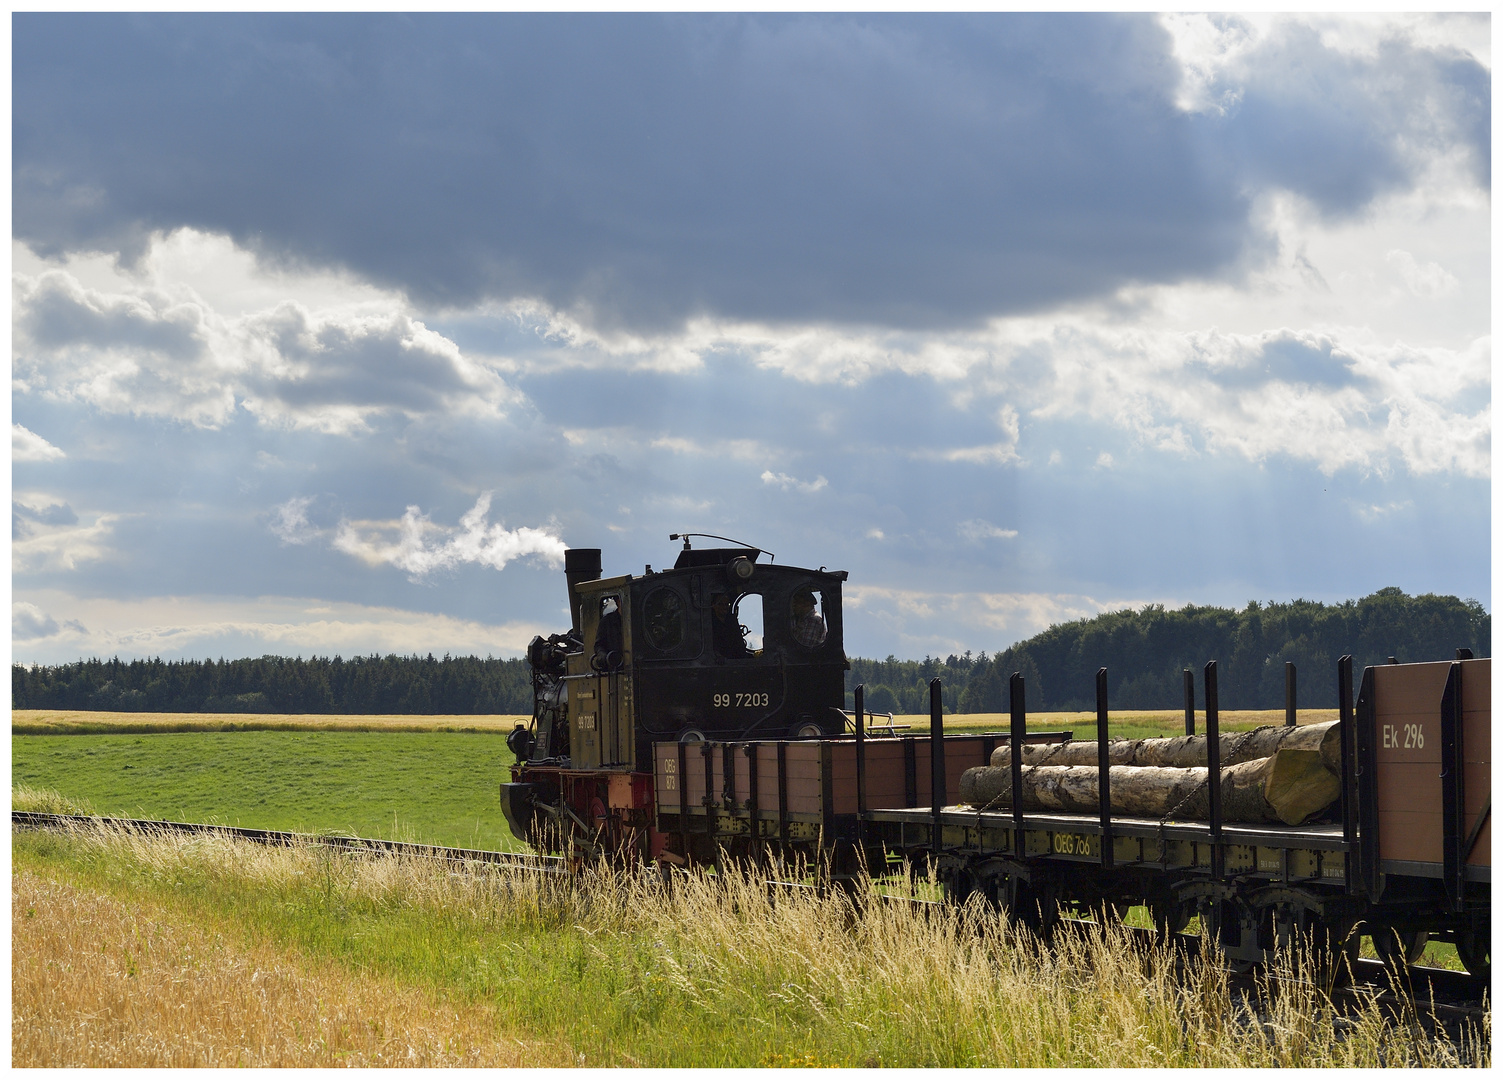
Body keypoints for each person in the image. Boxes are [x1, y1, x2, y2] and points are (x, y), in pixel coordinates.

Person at [710, 593, 749, 658]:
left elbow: (739, 643)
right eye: (720, 604)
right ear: (713, 605)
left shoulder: (732, 621)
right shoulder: (710, 621)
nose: (724, 607)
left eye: (726, 604)